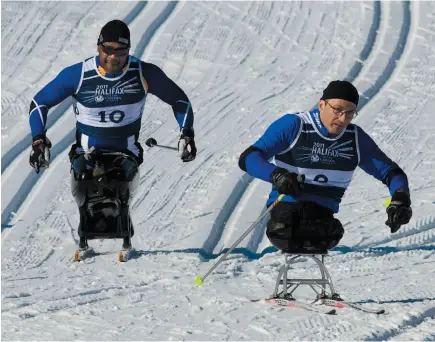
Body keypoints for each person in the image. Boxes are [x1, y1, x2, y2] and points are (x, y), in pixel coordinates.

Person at [28, 20, 197, 253]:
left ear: (129, 51)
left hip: (126, 151)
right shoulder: (78, 74)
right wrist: (38, 140)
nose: (113, 57)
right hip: (86, 151)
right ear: (98, 47)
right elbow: (39, 103)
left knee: (117, 181)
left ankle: (124, 230)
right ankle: (85, 232)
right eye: (108, 49)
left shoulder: (143, 73)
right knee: (86, 177)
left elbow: (180, 100)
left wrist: (186, 133)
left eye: (121, 51)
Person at [238, 80, 412, 252]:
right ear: (321, 105)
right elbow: (248, 158)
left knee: (329, 233)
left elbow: (390, 172)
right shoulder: (294, 125)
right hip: (287, 210)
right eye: (338, 110)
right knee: (284, 228)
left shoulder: (355, 139)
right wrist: (277, 175)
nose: (343, 118)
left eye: (350, 113)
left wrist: (400, 199)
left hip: (322, 216)